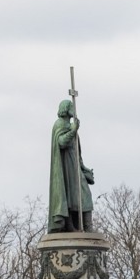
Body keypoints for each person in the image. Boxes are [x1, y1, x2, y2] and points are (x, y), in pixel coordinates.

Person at [47, 99, 95, 232]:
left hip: (75, 166)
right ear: (66, 109)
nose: (73, 109)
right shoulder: (60, 124)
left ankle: (86, 227)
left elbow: (77, 151)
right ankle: (72, 226)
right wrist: (73, 130)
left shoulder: (70, 125)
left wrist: (83, 167)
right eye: (71, 107)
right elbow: (61, 142)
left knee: (83, 195)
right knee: (70, 196)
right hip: (66, 167)